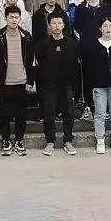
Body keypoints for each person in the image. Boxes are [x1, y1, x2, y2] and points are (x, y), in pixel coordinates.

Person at [0, 5, 34, 157]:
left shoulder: (26, 36)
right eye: (11, 17)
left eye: (16, 17)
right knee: (4, 115)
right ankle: (6, 140)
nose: (14, 20)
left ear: (20, 19)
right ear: (6, 19)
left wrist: (30, 80)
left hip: (22, 82)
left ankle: (19, 141)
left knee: (21, 115)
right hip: (4, 83)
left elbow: (31, 61)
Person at [35, 12, 81, 156]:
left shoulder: (72, 43)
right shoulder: (42, 44)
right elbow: (39, 66)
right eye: (53, 23)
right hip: (48, 86)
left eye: (59, 23)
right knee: (49, 114)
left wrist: (75, 86)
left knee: (69, 113)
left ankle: (68, 140)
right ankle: (50, 141)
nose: (56, 26)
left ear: (64, 25)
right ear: (49, 25)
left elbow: (76, 66)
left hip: (67, 85)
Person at [83, 17, 111, 153]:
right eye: (105, 26)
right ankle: (100, 140)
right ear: (100, 28)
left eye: (110, 26)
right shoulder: (93, 46)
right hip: (99, 86)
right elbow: (88, 68)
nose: (108, 29)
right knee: (100, 113)